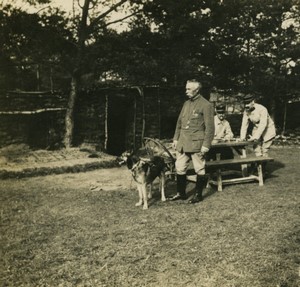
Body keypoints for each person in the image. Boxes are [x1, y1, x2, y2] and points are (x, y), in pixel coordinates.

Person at [171, 79, 215, 204]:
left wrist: (206, 145)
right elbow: (179, 122)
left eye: (189, 89)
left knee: (199, 169)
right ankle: (181, 193)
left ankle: (198, 195)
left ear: (197, 90)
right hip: (183, 143)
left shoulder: (206, 105)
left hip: (197, 144)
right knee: (179, 167)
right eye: (186, 88)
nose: (186, 91)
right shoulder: (186, 104)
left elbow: (210, 128)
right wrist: (175, 138)